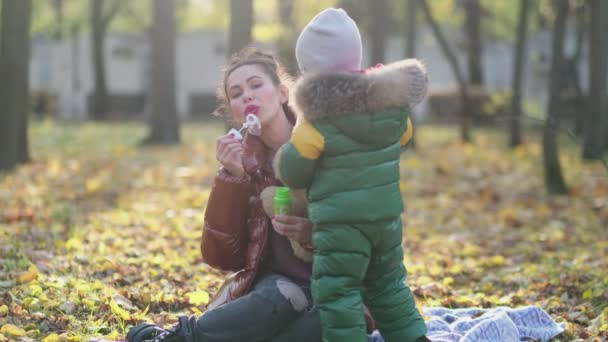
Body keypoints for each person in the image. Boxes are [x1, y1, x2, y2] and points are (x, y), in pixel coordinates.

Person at [123, 48, 377, 342]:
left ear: (283, 94)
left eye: (256, 85)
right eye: (236, 92)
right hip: (278, 288)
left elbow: (368, 236)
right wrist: (233, 179)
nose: (247, 96)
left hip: (339, 290)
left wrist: (312, 233)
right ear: (234, 111)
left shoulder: (326, 146)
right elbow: (222, 257)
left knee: (326, 323)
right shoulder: (245, 164)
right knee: (281, 295)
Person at [274, 8, 429, 342]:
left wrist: (285, 154)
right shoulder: (392, 107)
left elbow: (294, 173)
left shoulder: (316, 122)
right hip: (387, 220)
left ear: (311, 71)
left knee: (338, 294)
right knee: (388, 286)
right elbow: (403, 138)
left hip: (342, 227)